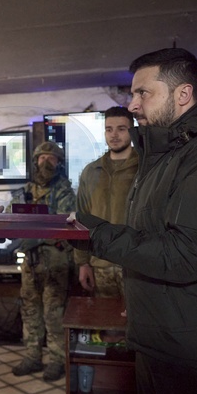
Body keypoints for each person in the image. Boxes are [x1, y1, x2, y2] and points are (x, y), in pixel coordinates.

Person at [69, 48, 197, 394]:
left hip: (194, 353)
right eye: (133, 94)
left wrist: (95, 234)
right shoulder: (166, 158)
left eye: (143, 93)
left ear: (182, 94)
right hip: (162, 338)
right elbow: (152, 241)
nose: (133, 105)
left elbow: (184, 255)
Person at [10, 141, 76, 382]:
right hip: (30, 261)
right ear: (35, 161)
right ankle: (32, 356)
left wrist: (37, 231)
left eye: (52, 158)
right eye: (42, 158)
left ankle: (57, 359)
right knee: (30, 309)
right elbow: (14, 219)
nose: (46, 162)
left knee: (53, 313)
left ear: (59, 163)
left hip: (55, 261)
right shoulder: (25, 191)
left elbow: (63, 224)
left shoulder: (64, 191)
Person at [74, 106, 138, 299]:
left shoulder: (144, 167)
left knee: (138, 317)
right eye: (109, 129)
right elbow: (81, 217)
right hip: (100, 263)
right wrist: (83, 263)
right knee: (104, 316)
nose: (114, 135)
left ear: (132, 130)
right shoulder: (91, 171)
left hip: (135, 264)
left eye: (121, 129)